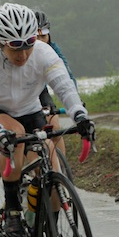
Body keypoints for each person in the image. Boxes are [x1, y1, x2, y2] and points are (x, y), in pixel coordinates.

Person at [0, 2, 95, 237]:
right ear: (0, 43)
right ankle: (13, 209)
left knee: (50, 162)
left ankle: (52, 233)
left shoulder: (44, 52)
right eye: (16, 48)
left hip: (30, 109)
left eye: (29, 45)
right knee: (14, 135)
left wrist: (80, 115)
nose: (24, 54)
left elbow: (64, 86)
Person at [34, 9, 79, 158]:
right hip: (27, 93)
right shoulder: (23, 51)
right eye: (36, 37)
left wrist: (75, 102)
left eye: (43, 36)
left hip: (42, 91)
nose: (41, 41)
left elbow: (67, 75)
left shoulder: (53, 48)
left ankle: (61, 171)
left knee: (55, 128)